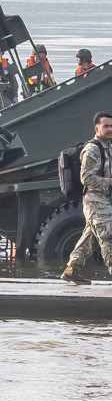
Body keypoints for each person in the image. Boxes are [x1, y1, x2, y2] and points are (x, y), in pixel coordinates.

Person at [62, 112, 112, 284]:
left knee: (89, 238)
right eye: (106, 126)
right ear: (96, 128)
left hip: (104, 199)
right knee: (108, 236)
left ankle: (71, 270)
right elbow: (87, 178)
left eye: (111, 126)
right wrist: (109, 182)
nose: (110, 129)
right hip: (95, 199)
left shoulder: (108, 147)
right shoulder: (92, 149)